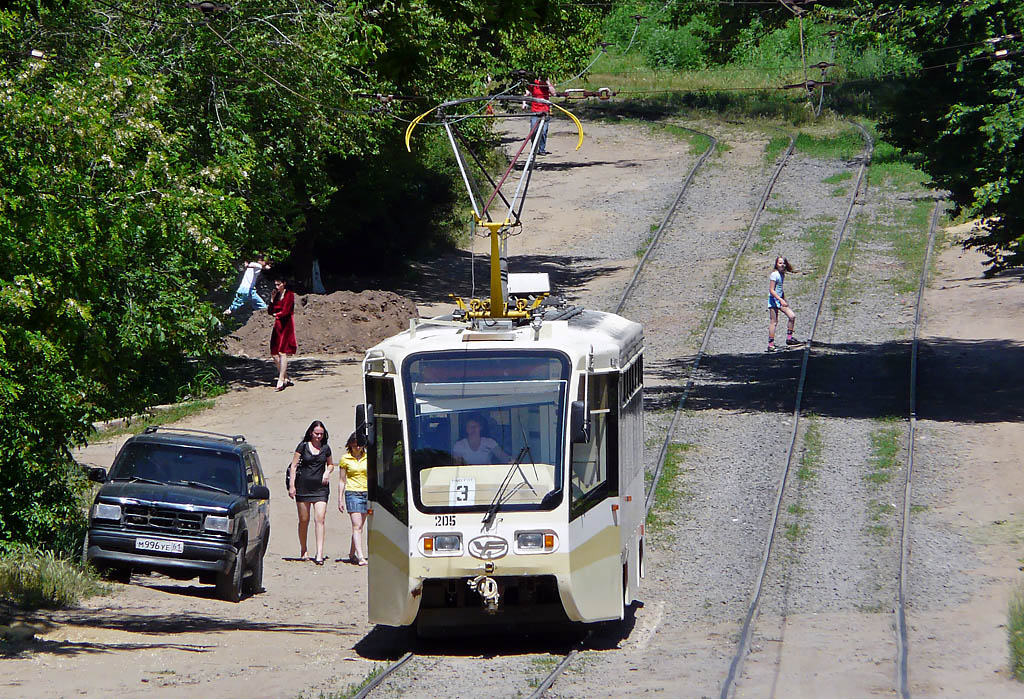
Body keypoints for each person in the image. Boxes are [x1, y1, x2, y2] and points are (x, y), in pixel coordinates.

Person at [287, 421, 334, 564]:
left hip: (320, 489)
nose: (319, 436)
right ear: (310, 433)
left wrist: (327, 472)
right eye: (316, 433)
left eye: (321, 434)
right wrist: (291, 485)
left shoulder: (326, 448)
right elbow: (293, 465)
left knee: (320, 519)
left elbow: (331, 464)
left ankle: (319, 553)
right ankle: (304, 549)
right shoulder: (303, 446)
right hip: (303, 488)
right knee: (304, 520)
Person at [337, 432, 369, 566]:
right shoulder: (345, 459)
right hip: (353, 493)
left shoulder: (368, 457)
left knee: (360, 526)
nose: (357, 448)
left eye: (359, 445)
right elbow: (342, 480)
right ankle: (361, 556)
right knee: (356, 526)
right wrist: (340, 498)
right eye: (355, 445)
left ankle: (352, 553)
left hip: (367, 492)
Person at [767, 256, 800, 352]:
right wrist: (780, 300)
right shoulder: (774, 275)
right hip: (773, 300)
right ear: (776, 264)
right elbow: (771, 290)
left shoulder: (782, 274)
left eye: (783, 263)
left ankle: (789, 338)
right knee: (774, 322)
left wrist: (784, 299)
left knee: (792, 316)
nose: (782, 265)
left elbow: (780, 289)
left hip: (780, 300)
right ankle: (770, 345)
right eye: (780, 263)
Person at [269, 277, 296, 390]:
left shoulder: (290, 295)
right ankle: (285, 376)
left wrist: (278, 314)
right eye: (275, 284)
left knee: (282, 351)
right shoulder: (277, 296)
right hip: (277, 325)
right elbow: (270, 311)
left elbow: (286, 311)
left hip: (286, 325)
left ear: (284, 283)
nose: (276, 287)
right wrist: (272, 299)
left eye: (278, 284)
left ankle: (280, 379)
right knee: (274, 352)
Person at [524, 76, 556, 155]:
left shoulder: (546, 86)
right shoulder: (534, 84)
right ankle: (534, 148)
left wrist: (548, 83)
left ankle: (542, 149)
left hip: (545, 111)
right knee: (534, 131)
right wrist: (524, 103)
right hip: (535, 111)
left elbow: (553, 93)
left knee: (543, 132)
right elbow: (526, 94)